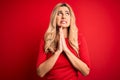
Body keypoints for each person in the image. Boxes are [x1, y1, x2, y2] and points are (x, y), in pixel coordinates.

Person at [36, 3, 91, 80]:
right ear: (54, 18)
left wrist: (66, 50)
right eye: (59, 13)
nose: (64, 16)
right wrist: (58, 51)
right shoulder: (46, 39)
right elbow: (40, 72)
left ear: (71, 18)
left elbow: (86, 71)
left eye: (67, 13)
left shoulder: (79, 38)